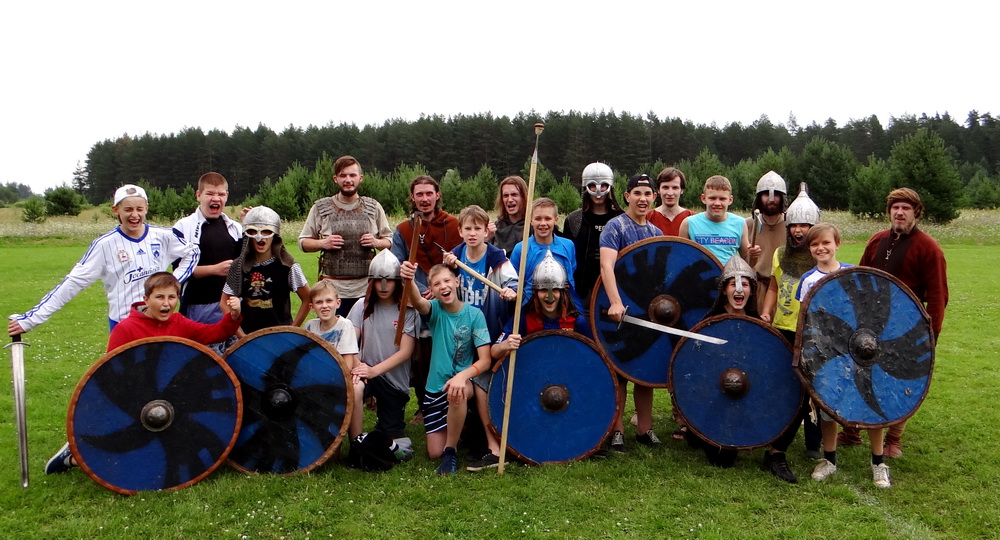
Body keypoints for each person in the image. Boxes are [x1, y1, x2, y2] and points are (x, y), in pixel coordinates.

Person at [45, 272, 241, 474]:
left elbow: (214, 333)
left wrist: (233, 317)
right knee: (125, 452)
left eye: (171, 297)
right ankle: (74, 455)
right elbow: (109, 373)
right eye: (160, 297)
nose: (166, 303)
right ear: (146, 299)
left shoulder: (179, 323)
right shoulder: (126, 329)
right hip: (134, 398)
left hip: (170, 396)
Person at [837, 188, 949, 460]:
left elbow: (938, 295)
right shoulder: (877, 241)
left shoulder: (929, 248)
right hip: (869, 325)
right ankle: (852, 431)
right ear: (889, 212)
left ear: (916, 213)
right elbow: (860, 280)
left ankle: (894, 439)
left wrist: (931, 334)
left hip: (907, 328)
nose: (900, 213)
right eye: (895, 208)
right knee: (859, 376)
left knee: (902, 382)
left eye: (906, 208)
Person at [9, 184, 199, 338]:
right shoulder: (104, 245)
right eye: (128, 209)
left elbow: (193, 252)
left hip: (158, 322)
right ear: (116, 210)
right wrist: (30, 320)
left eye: (139, 209)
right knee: (124, 379)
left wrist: (174, 281)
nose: (135, 215)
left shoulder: (163, 236)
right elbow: (72, 283)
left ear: (146, 208)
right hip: (123, 324)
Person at [796, 223, 891, 488]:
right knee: (828, 406)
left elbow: (870, 313)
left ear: (837, 244)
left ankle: (878, 463)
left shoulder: (853, 274)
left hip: (860, 351)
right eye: (815, 244)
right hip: (828, 355)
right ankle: (829, 459)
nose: (821, 248)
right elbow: (807, 321)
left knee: (871, 404)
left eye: (826, 242)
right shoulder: (808, 280)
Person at [441, 204, 518, 471]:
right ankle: (463, 435)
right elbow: (443, 287)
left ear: (487, 231)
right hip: (463, 334)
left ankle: (493, 444)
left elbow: (513, 284)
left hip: (491, 332)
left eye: (478, 228)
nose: (472, 233)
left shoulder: (497, 258)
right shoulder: (455, 257)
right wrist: (447, 273)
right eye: (467, 228)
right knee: (462, 380)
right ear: (460, 231)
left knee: (482, 382)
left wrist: (510, 291)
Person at [399, 261, 492, 476]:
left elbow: (485, 360)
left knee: (457, 391)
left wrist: (462, 376)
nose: (443, 286)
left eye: (447, 280)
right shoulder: (435, 311)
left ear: (457, 282)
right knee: (433, 452)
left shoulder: (475, 315)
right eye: (437, 284)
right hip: (435, 388)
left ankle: (451, 452)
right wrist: (409, 280)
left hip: (464, 383)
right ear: (431, 290)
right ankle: (459, 433)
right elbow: (418, 301)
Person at [758, 182, 823, 483]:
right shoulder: (781, 254)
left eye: (805, 226)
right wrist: (767, 311)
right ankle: (773, 445)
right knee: (779, 388)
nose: (799, 231)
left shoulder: (821, 258)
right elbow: (773, 285)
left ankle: (797, 446)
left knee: (804, 392)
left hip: (808, 333)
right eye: (795, 225)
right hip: (782, 329)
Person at [390, 175, 462, 423]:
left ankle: (456, 402)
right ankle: (424, 405)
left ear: (437, 195)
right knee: (421, 356)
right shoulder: (403, 231)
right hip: (418, 299)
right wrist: (422, 290)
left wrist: (443, 288)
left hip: (451, 297)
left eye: (428, 193)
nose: (424, 199)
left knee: (453, 350)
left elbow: (464, 261)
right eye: (419, 194)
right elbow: (398, 265)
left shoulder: (454, 225)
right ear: (412, 197)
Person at [600, 174, 664, 452]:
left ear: (654, 198)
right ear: (626, 196)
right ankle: (617, 431)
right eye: (637, 193)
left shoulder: (656, 234)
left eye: (647, 194)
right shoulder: (615, 227)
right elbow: (606, 267)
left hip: (648, 311)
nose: (642, 198)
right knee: (620, 371)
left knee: (644, 370)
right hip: (619, 308)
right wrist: (615, 302)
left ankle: (644, 429)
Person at [685, 256, 759, 469]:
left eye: (744, 284)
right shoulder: (710, 322)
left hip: (742, 389)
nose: (738, 289)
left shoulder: (757, 325)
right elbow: (695, 364)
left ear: (752, 290)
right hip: (711, 389)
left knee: (726, 459)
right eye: (732, 284)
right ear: (724, 290)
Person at [299, 156, 394, 317]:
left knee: (365, 339)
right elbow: (303, 242)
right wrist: (323, 243)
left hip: (366, 287)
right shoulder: (320, 208)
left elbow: (389, 241)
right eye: (343, 175)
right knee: (333, 338)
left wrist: (376, 242)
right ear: (335, 179)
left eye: (352, 175)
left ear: (360, 178)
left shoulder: (373, 207)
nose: (348, 180)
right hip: (331, 290)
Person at [346, 250, 418, 459]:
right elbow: (349, 342)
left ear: (398, 282)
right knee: (356, 388)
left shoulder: (407, 310)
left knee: (392, 438)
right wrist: (361, 367)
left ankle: (385, 439)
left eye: (389, 280)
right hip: (364, 371)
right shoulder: (361, 306)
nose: (384, 286)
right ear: (371, 282)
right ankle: (355, 443)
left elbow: (406, 351)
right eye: (378, 281)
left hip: (393, 382)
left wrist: (373, 371)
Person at [173, 172, 243, 353]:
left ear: (227, 196)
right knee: (204, 359)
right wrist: (214, 270)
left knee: (235, 357)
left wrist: (250, 225)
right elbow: (177, 272)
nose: (216, 198)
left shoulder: (235, 227)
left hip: (231, 305)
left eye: (221, 194)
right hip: (198, 306)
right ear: (198, 195)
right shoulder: (183, 227)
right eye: (210, 193)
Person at [221, 206, 310, 336]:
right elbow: (224, 303)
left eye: (266, 232)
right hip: (248, 334)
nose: (260, 237)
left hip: (280, 335)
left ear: (275, 234)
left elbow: (307, 298)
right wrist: (242, 337)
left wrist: (292, 330)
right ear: (247, 234)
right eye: (253, 231)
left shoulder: (288, 266)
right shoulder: (239, 266)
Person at [560, 162, 623, 306]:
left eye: (603, 185)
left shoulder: (620, 219)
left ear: (610, 187)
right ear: (585, 188)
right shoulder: (574, 220)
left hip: (616, 284)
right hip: (582, 286)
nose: (598, 191)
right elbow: (568, 255)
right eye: (593, 185)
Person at [302, 280, 361, 432]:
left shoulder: (345, 325)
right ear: (312, 307)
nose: (324, 306)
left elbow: (347, 364)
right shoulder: (310, 326)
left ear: (338, 303)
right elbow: (304, 359)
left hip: (338, 380)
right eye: (319, 302)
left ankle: (355, 439)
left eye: (329, 301)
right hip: (315, 379)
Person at [511, 198, 584, 313]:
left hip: (564, 308)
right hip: (531, 309)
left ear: (556, 220)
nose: (543, 223)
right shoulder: (521, 249)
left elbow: (571, 277)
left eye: (548, 218)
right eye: (538, 218)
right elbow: (513, 282)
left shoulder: (568, 246)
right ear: (530, 220)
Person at [679, 175, 760, 267]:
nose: (717, 203)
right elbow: (682, 260)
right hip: (699, 279)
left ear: (730, 200)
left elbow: (748, 263)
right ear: (703, 198)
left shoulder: (740, 223)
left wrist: (754, 256)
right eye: (712, 198)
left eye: (722, 199)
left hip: (728, 279)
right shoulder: (689, 223)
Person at [745, 171, 788, 313]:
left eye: (776, 194)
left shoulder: (792, 226)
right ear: (759, 198)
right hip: (756, 288)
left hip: (784, 291)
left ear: (782, 198)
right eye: (766, 195)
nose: (771, 199)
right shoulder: (748, 225)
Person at [486, 175, 528, 255]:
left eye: (514, 194)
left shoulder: (533, 227)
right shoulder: (495, 229)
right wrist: (486, 239)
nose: (510, 200)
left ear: (523, 197)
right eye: (505, 196)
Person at [646, 167, 693, 236]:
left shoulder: (692, 219)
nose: (670, 193)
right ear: (658, 190)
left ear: (682, 190)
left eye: (675, 188)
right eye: (665, 187)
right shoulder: (647, 218)